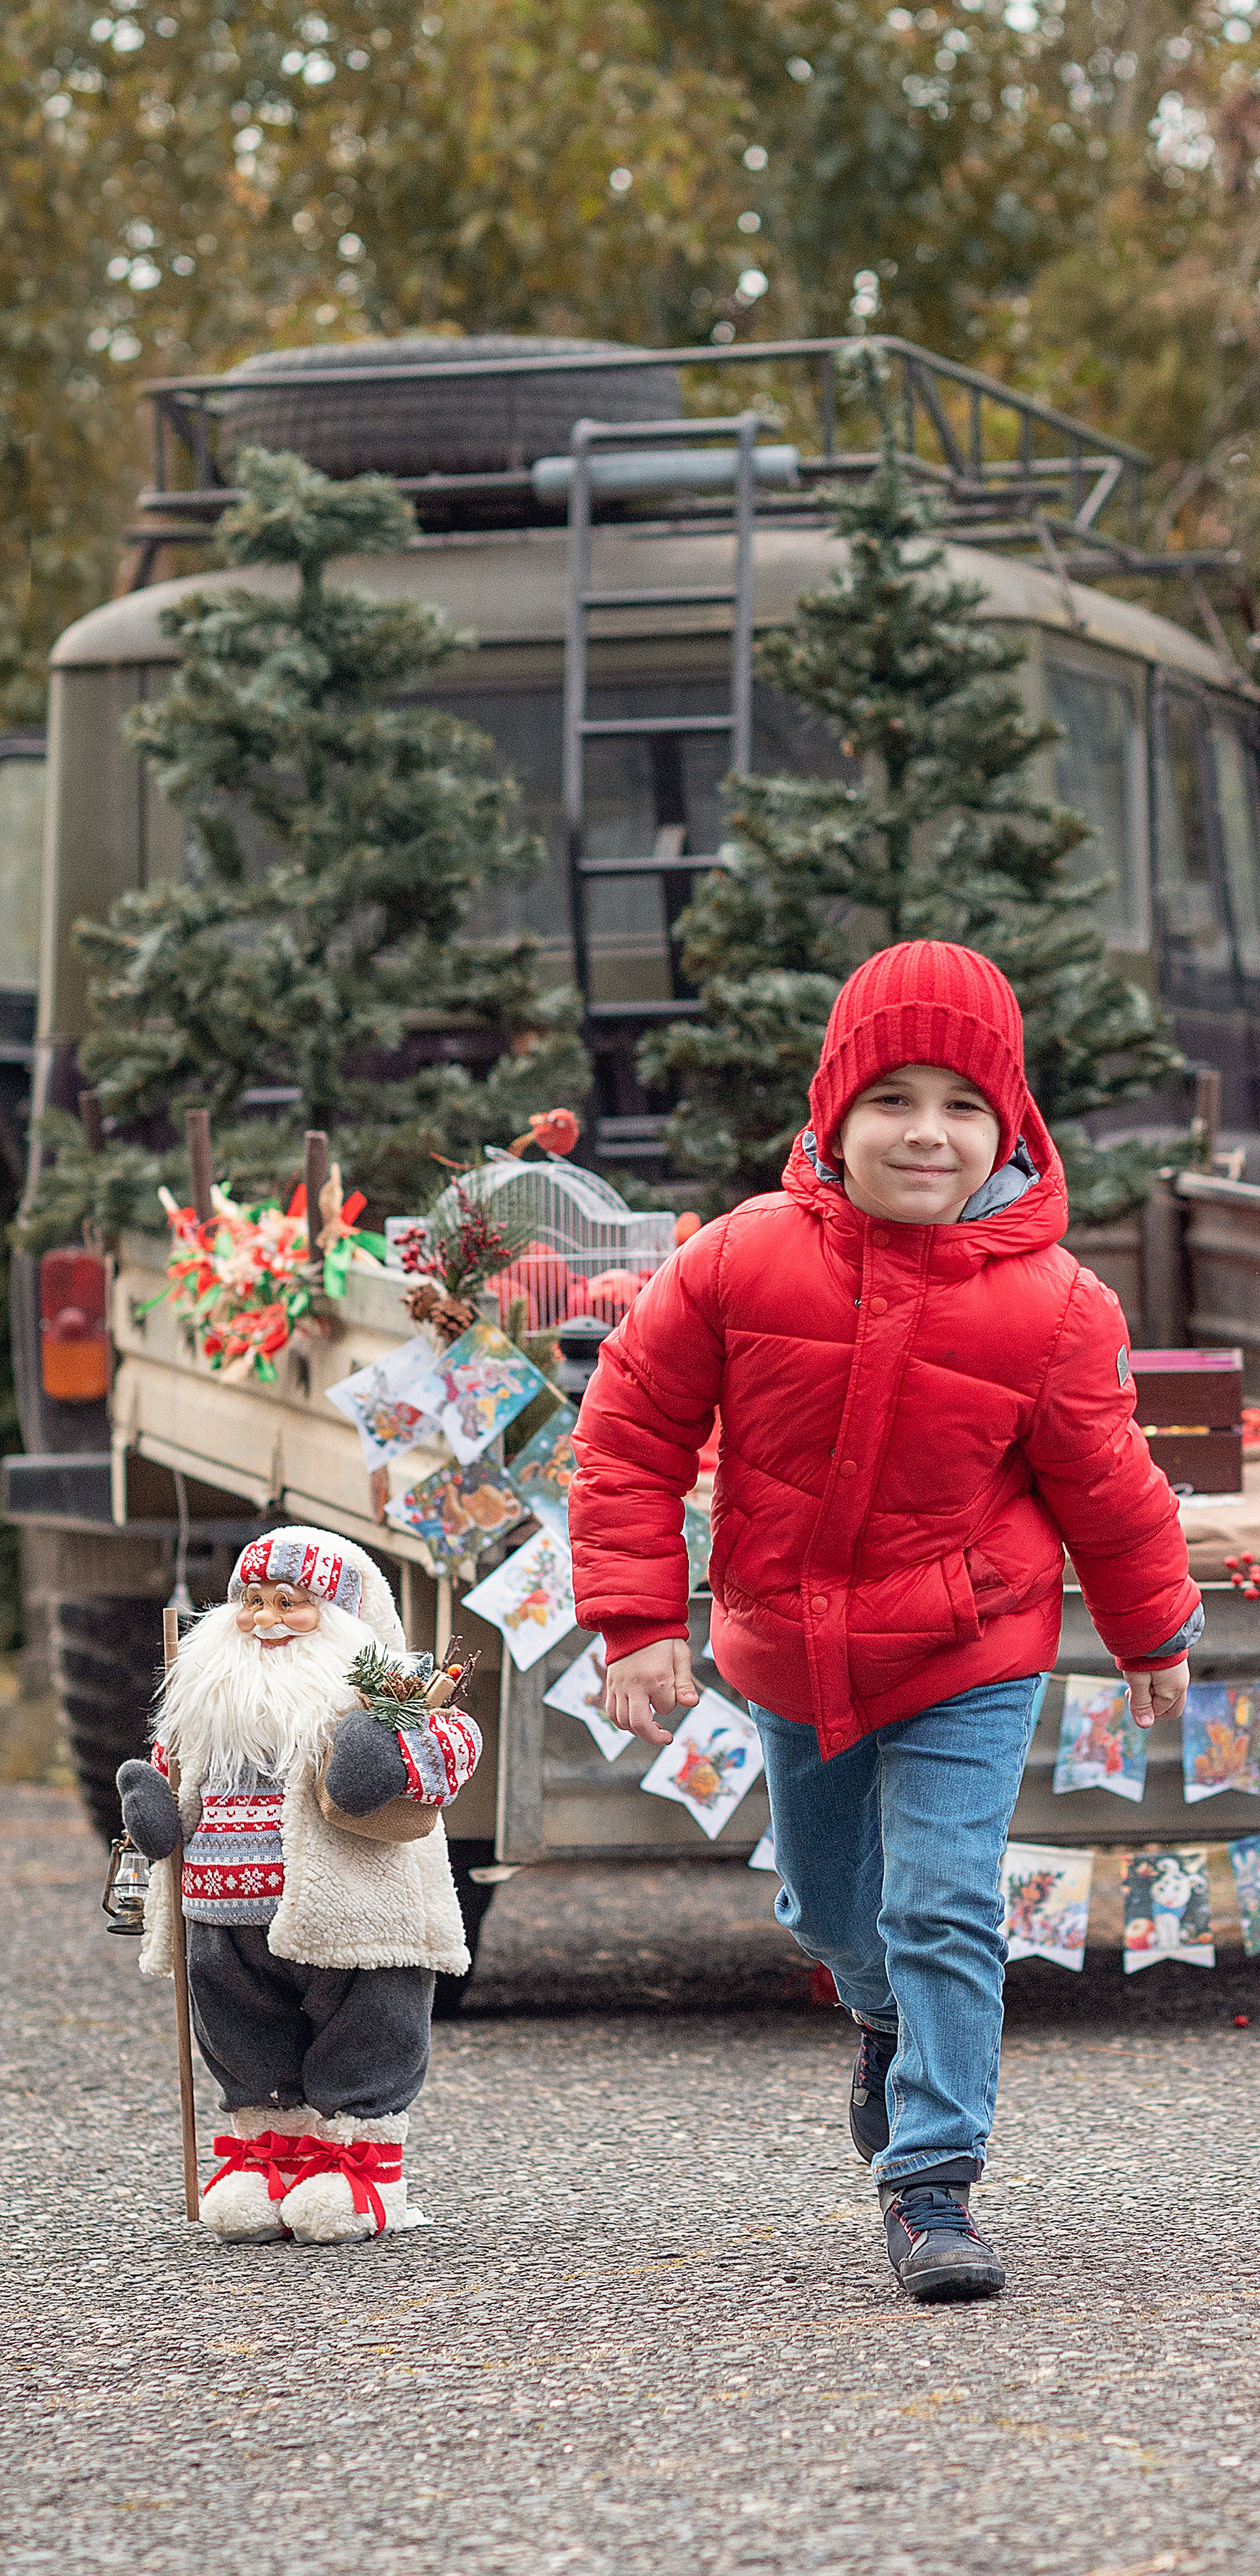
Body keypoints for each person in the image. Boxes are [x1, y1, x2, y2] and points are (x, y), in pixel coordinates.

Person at [569, 941, 1202, 2301]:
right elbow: (627, 1434)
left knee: (941, 1904)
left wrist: (1151, 1632)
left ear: (1009, 1124)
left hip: (968, 1649)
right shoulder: (738, 1262)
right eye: (893, 1100)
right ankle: (872, 2012)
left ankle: (931, 2184)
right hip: (790, 1648)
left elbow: (1108, 1481)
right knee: (834, 1907)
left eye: (963, 1104)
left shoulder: (1055, 1306)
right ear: (833, 1113)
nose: (927, 1132)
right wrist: (634, 1619)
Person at [115, 1529, 481, 2245]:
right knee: (241, 2034)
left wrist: (389, 1755)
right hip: (222, 1916)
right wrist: (154, 1810)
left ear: (345, 1615)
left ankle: (361, 2168)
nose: (266, 1617)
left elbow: (456, 1743)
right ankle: (270, 2156)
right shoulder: (207, 1703)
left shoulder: (384, 1692)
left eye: (292, 1602)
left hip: (356, 1921)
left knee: (367, 2028)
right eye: (251, 1601)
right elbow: (172, 1773)